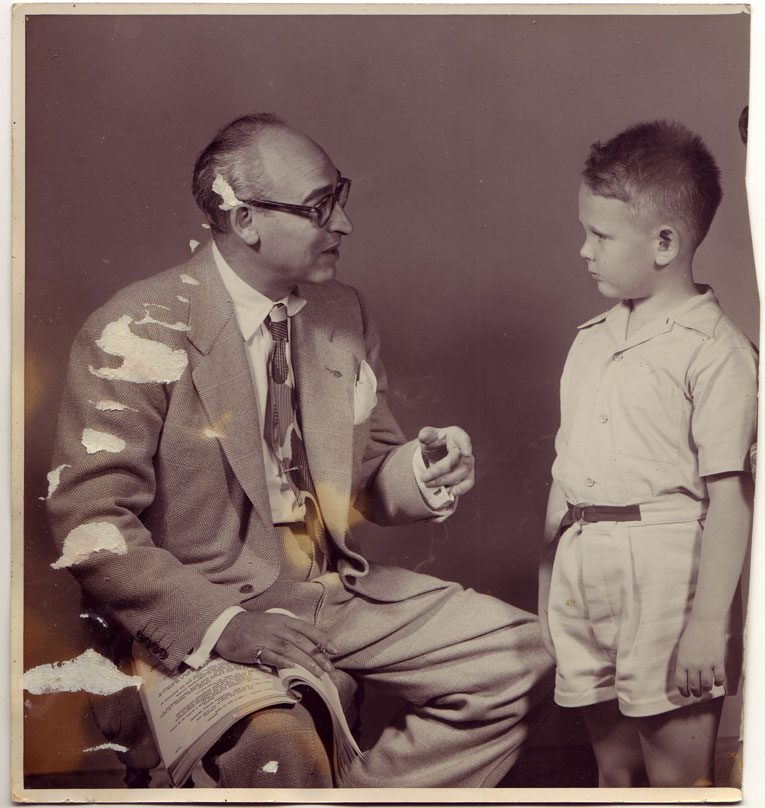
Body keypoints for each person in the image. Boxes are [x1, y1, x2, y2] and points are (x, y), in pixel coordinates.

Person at [46, 112, 552, 789]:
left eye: (340, 196)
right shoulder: (135, 326)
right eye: (320, 207)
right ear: (244, 219)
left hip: (328, 592)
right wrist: (221, 625)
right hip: (198, 608)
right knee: (280, 749)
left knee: (525, 657)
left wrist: (422, 469)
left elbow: (365, 473)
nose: (345, 223)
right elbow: (90, 523)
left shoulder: (343, 313)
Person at [538, 119, 757, 788]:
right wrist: (548, 591)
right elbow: (564, 478)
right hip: (583, 571)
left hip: (667, 579)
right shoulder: (590, 341)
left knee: (675, 780)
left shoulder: (716, 353)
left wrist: (706, 624)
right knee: (614, 770)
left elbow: (729, 498)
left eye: (600, 236)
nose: (584, 250)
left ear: (664, 243)